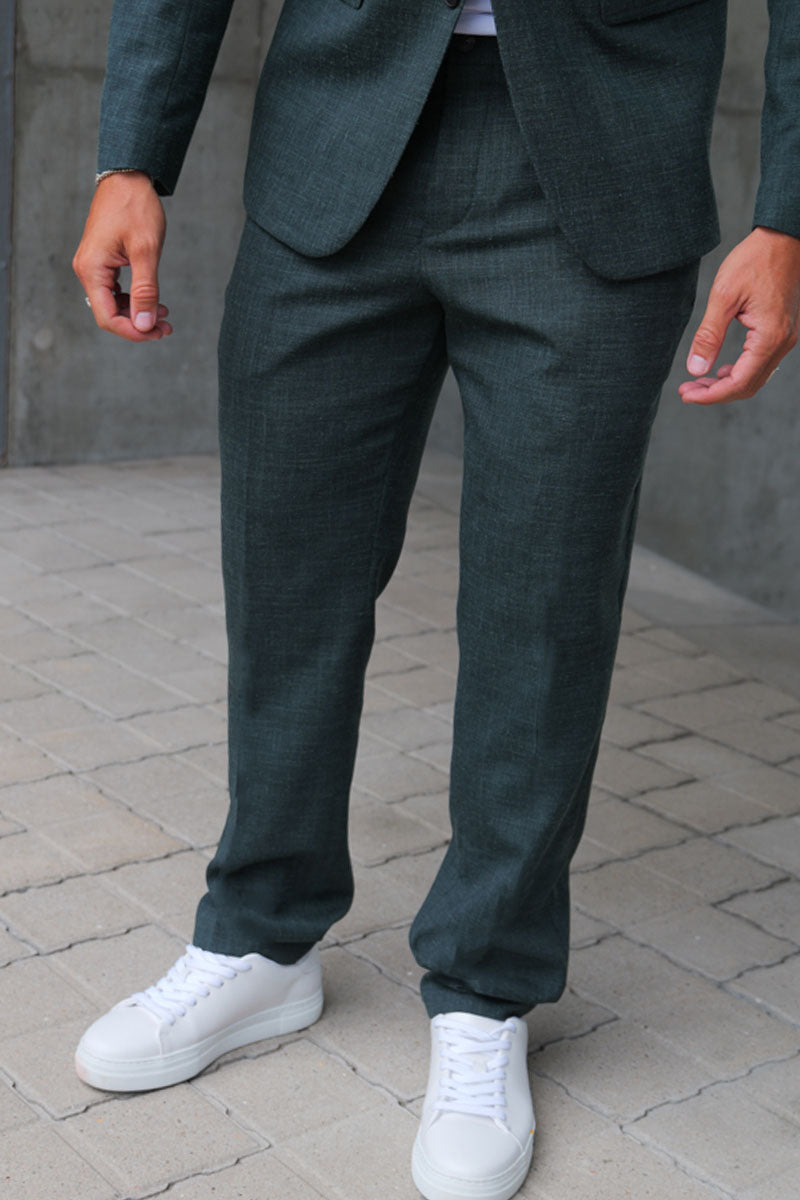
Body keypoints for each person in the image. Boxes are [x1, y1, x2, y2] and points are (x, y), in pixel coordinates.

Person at [72, 2, 800, 1198]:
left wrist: (785, 214)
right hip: (334, 137)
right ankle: (259, 935)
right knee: (287, 573)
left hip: (598, 157)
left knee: (542, 609)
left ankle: (483, 987)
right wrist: (132, 154)